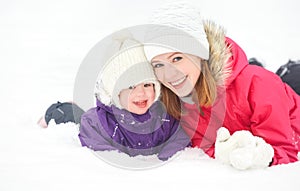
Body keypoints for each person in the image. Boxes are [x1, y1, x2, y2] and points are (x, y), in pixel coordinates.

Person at [143, 1, 300, 169]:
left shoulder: (259, 84)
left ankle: (288, 69)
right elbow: (207, 148)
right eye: (159, 65)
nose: (169, 74)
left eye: (177, 58)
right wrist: (226, 154)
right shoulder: (179, 103)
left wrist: (261, 157)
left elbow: (286, 153)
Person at [78, 36, 190, 161]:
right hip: (127, 179)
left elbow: (180, 138)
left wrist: (165, 160)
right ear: (115, 92)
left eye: (147, 85)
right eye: (131, 87)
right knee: (71, 115)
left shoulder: (165, 117)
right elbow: (101, 153)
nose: (141, 93)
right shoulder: (97, 123)